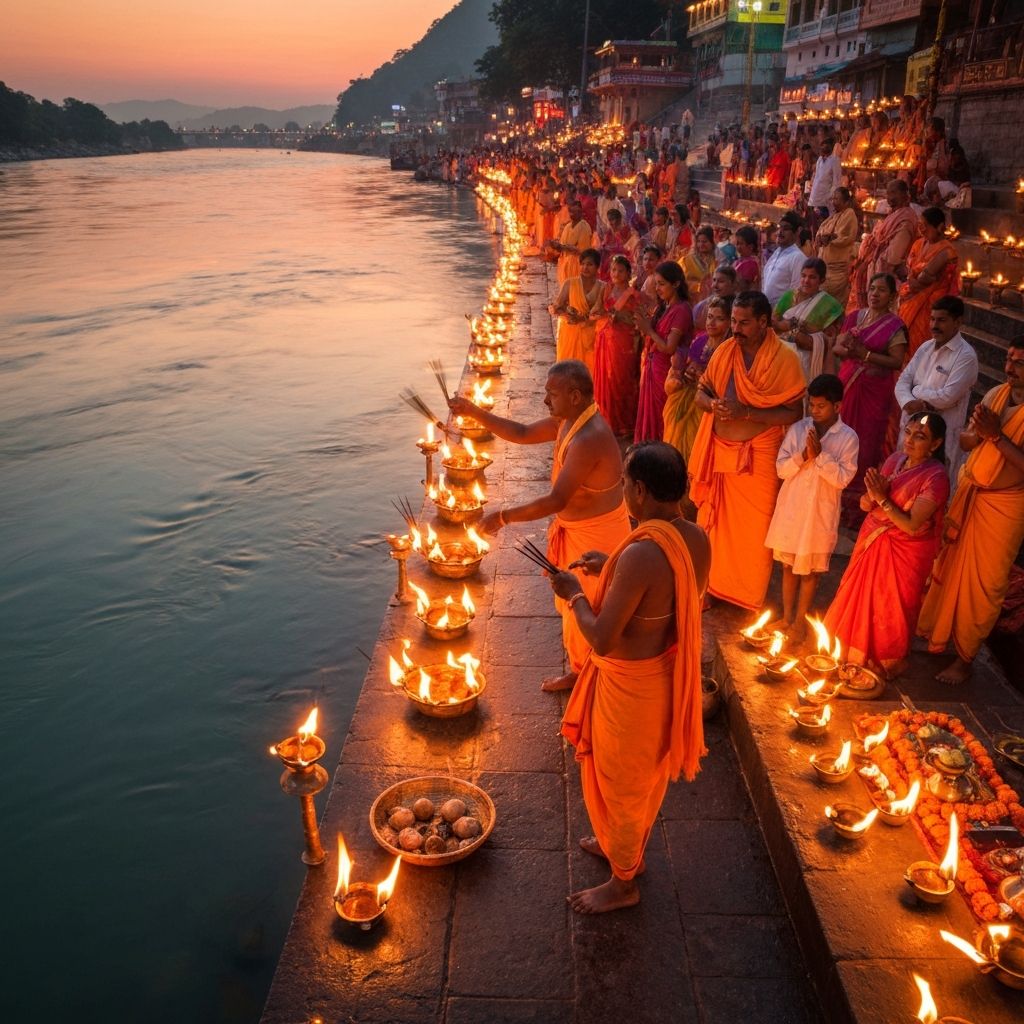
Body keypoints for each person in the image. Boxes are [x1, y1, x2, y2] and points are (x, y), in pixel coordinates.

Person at [553, 441, 710, 914]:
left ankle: (624, 883)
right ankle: (623, 849)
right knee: (637, 780)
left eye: (624, 482)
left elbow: (601, 639)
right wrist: (613, 567)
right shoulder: (694, 537)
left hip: (631, 687)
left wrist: (575, 595)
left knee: (622, 783)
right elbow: (660, 595)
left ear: (640, 491)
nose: (623, 490)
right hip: (661, 675)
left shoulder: (644, 553)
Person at [447, 362, 631, 693]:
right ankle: (582, 669)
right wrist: (472, 411)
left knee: (589, 604)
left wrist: (503, 517)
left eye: (552, 394)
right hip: (578, 532)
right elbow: (521, 433)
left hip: (597, 536)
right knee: (574, 604)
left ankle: (589, 676)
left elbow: (557, 500)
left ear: (575, 396)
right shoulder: (569, 422)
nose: (545, 400)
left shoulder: (590, 437)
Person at [690, 291, 806, 609]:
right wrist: (713, 404)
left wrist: (747, 414)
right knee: (710, 524)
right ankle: (709, 587)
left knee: (754, 532)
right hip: (719, 451)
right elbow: (701, 393)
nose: (735, 329)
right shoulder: (725, 350)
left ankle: (745, 595)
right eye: (733, 321)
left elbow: (794, 412)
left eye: (743, 323)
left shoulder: (785, 358)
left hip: (760, 456)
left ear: (764, 322)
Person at [918, 341, 1024, 684]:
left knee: (986, 585)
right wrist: (979, 435)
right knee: (947, 566)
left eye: (1019, 362)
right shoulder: (995, 393)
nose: (1010, 367)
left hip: (1004, 508)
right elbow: (965, 441)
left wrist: (995, 436)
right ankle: (938, 634)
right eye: (1009, 358)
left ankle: (965, 659)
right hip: (971, 493)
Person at [824, 412, 950, 677]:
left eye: (921, 436)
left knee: (890, 607)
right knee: (859, 598)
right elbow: (867, 503)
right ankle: (848, 651)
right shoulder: (895, 460)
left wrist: (881, 499)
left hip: (905, 551)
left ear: (936, 444)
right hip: (873, 541)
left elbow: (912, 524)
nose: (911, 440)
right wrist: (872, 498)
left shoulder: (936, 478)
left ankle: (885, 659)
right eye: (908, 432)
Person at [764, 374, 859, 640]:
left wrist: (820, 458)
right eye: (812, 405)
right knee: (787, 564)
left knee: (810, 570)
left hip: (819, 513)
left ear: (837, 407)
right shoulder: (798, 430)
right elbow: (781, 469)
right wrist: (803, 455)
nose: (814, 411)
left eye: (821, 406)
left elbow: (842, 479)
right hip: (793, 509)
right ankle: (786, 618)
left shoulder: (848, 438)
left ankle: (798, 623)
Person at [833, 273, 909, 517]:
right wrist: (846, 347)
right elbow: (837, 347)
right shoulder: (855, 317)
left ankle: (855, 503)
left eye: (882, 290)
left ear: (892, 296)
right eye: (872, 288)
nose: (875, 294)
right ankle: (833, 493)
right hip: (847, 385)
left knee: (865, 441)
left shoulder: (895, 326)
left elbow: (896, 361)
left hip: (873, 392)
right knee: (838, 434)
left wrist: (864, 354)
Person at [894, 295, 978, 483]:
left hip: (941, 437)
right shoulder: (925, 347)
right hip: (910, 429)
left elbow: (947, 397)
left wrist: (916, 392)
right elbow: (902, 381)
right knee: (902, 481)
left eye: (941, 320)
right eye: (932, 319)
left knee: (933, 486)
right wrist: (908, 402)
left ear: (958, 322)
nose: (934, 325)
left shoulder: (966, 356)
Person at [664, 295, 731, 462]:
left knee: (695, 441)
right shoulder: (700, 341)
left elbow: (726, 381)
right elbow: (690, 366)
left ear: (730, 322)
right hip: (690, 394)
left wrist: (704, 377)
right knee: (674, 421)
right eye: (710, 317)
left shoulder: (729, 348)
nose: (711, 323)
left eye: (719, 319)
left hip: (710, 399)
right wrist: (687, 374)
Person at [632, 261, 692, 443]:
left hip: (665, 372)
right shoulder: (664, 307)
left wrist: (648, 330)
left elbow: (669, 347)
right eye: (656, 283)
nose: (657, 288)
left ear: (676, 284)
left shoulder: (681, 310)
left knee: (660, 415)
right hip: (652, 366)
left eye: (662, 284)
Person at [847, 178, 919, 311]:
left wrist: (871, 259)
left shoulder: (907, 218)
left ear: (904, 194)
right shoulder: (894, 214)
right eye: (888, 193)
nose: (889, 197)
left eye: (893, 193)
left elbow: (893, 256)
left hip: (890, 275)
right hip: (877, 270)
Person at [898, 207, 960, 358]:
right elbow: (908, 269)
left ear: (939, 227)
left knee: (922, 345)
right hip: (910, 298)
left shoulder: (947, 251)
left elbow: (925, 277)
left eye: (925, 225)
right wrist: (915, 279)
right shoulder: (918, 244)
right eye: (920, 225)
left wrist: (920, 280)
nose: (922, 229)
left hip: (931, 304)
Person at [773, 258, 845, 383]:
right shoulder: (789, 296)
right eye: (803, 276)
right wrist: (793, 330)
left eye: (812, 277)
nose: (806, 281)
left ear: (821, 280)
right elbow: (773, 324)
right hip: (783, 356)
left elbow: (830, 339)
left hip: (811, 361)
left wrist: (795, 329)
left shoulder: (831, 306)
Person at [593, 255, 641, 439]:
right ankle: (607, 421)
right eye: (613, 270)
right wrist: (598, 315)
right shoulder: (607, 289)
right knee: (607, 380)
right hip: (606, 339)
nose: (616, 274)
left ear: (628, 273)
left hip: (625, 342)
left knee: (623, 380)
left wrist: (620, 318)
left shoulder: (633, 294)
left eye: (620, 270)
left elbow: (638, 318)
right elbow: (597, 310)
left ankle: (624, 425)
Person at [549, 247, 603, 373]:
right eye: (583, 264)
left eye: (590, 264)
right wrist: (562, 312)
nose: (585, 268)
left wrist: (584, 318)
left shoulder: (603, 287)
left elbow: (602, 312)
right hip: (571, 334)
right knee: (568, 371)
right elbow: (558, 305)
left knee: (589, 372)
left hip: (592, 335)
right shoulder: (570, 283)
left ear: (597, 267)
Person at [815, 186, 859, 305]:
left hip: (837, 269)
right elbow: (821, 231)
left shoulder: (849, 214)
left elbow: (844, 237)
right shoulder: (833, 216)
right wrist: (820, 238)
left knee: (832, 303)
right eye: (833, 198)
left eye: (837, 199)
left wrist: (829, 238)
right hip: (825, 267)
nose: (834, 201)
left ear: (846, 201)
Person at [761, 212, 806, 306]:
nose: (779, 232)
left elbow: (796, 293)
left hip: (781, 315)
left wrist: (779, 315)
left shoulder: (798, 258)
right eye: (779, 227)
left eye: (785, 228)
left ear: (798, 231)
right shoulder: (776, 253)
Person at [550, 199, 596, 285]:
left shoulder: (585, 227)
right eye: (571, 211)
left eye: (575, 212)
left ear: (581, 212)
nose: (572, 214)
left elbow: (583, 251)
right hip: (565, 264)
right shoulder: (567, 226)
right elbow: (562, 244)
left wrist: (562, 247)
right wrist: (555, 246)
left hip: (576, 265)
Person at [597, 207, 636, 281]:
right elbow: (604, 244)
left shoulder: (626, 230)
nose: (611, 223)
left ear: (619, 219)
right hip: (608, 262)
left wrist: (614, 250)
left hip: (622, 261)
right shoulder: (609, 232)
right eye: (609, 220)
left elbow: (628, 248)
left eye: (612, 220)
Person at [808, 138, 843, 221]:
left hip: (826, 199)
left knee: (825, 222)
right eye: (821, 147)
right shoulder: (819, 159)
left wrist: (830, 196)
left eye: (825, 147)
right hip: (815, 196)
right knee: (814, 221)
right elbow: (816, 176)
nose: (822, 149)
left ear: (830, 148)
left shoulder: (835, 160)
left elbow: (837, 181)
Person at [680, 226, 716, 303]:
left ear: (712, 242)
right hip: (691, 299)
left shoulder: (715, 260)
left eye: (705, 241)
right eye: (699, 241)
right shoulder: (686, 260)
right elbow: (680, 281)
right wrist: (699, 286)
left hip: (710, 299)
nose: (701, 244)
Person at [733, 225, 761, 291]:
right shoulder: (741, 260)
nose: (738, 247)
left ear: (750, 246)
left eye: (741, 244)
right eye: (737, 244)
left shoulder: (750, 263)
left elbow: (741, 286)